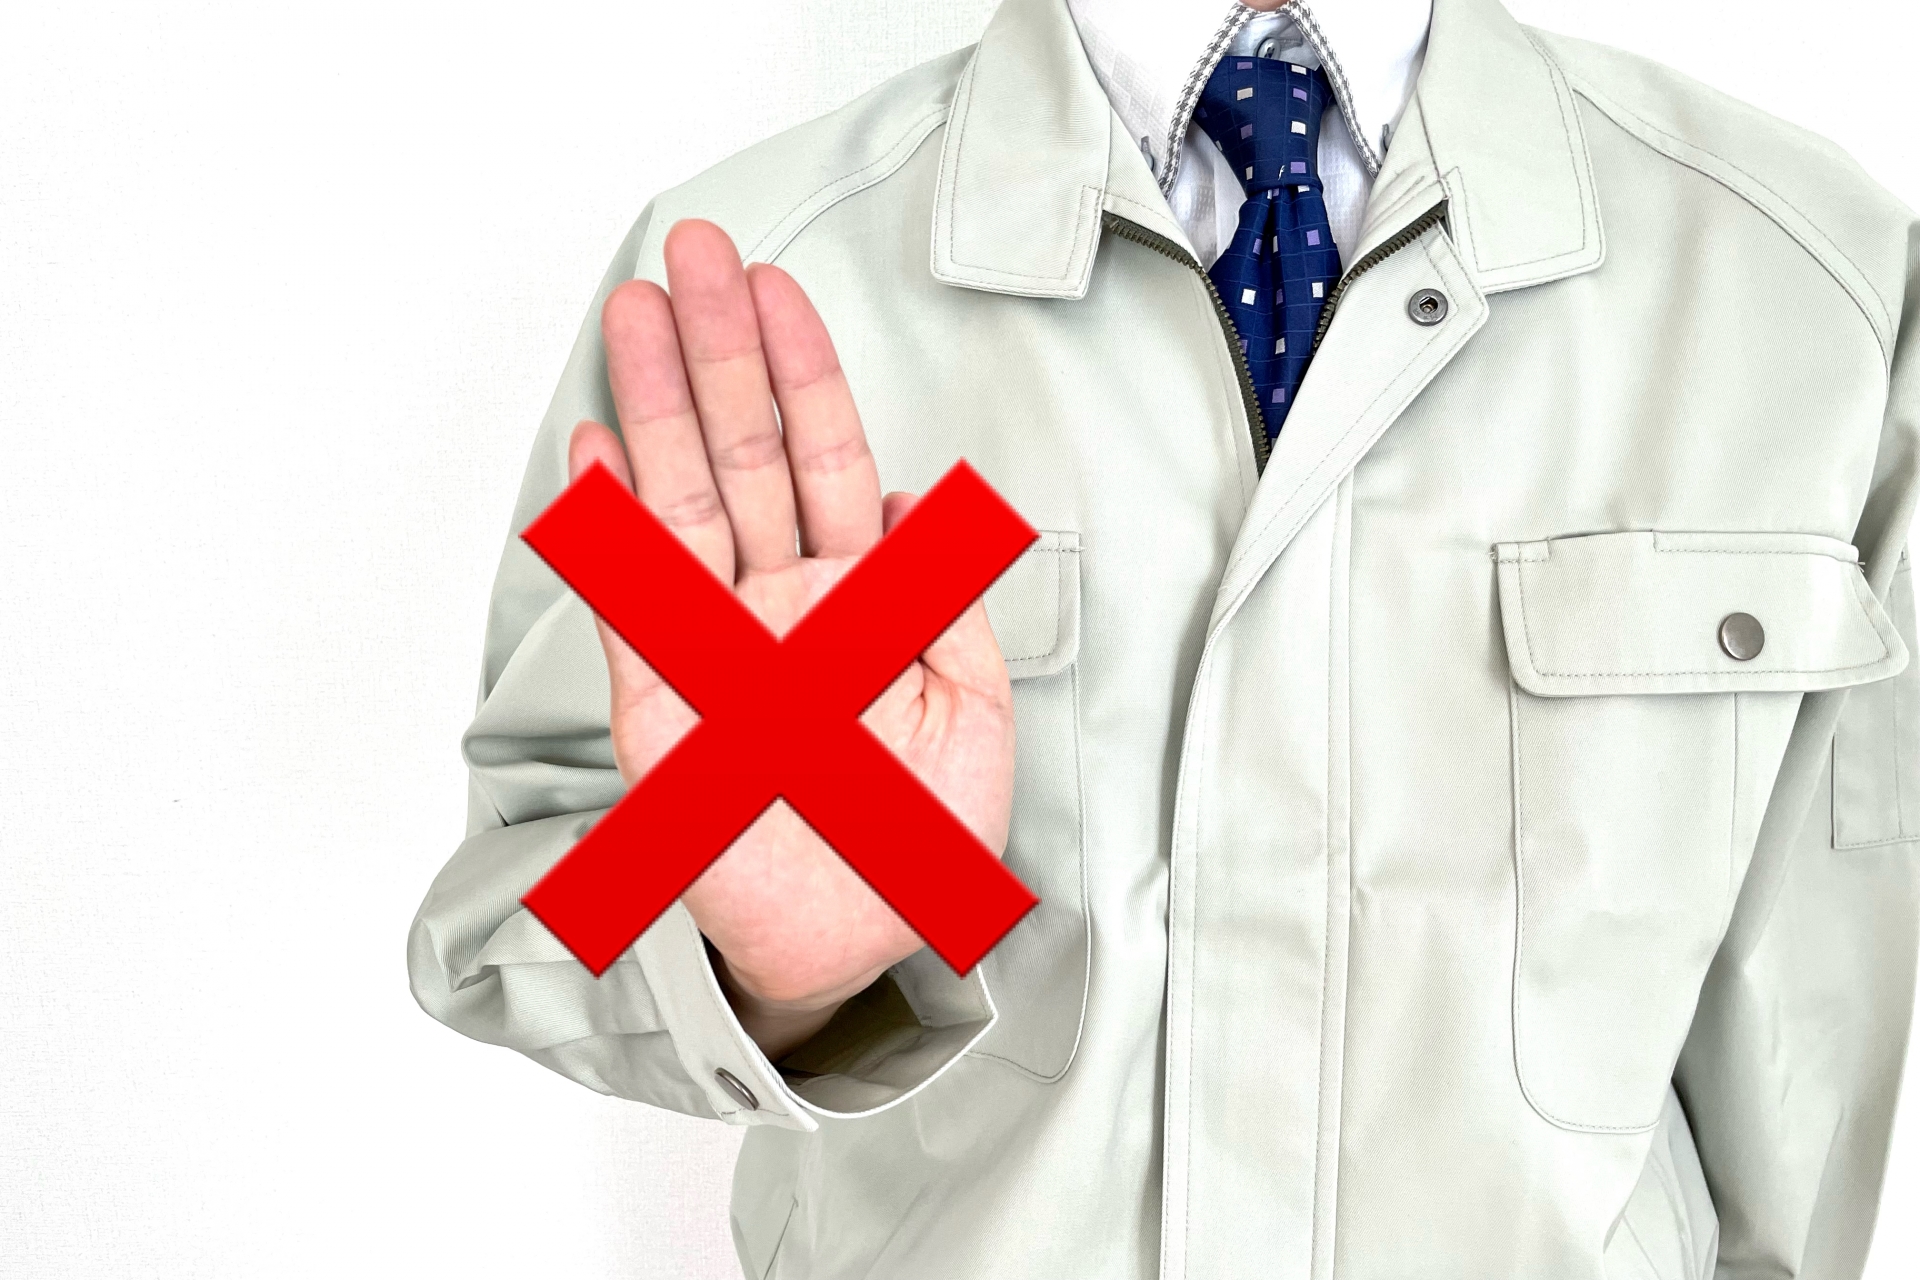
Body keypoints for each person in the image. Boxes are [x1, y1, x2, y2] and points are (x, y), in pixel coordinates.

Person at [407, 0, 1920, 1274]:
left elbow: (1812, 1049)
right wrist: (789, 980)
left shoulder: (1815, 284)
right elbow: (515, 903)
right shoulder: (759, 270)